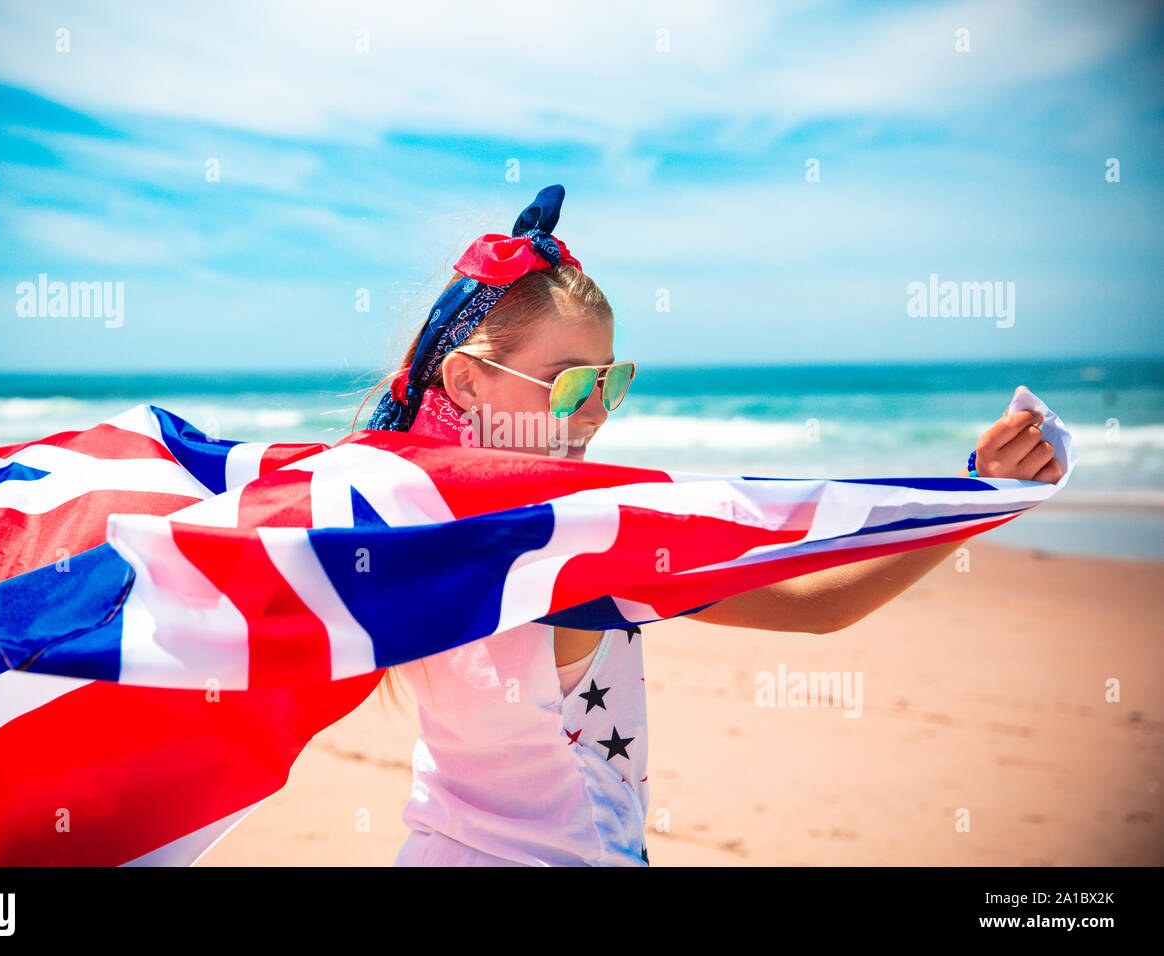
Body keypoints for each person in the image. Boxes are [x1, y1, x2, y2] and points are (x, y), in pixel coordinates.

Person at [354, 184, 1064, 866]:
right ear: (467, 381)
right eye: (570, 382)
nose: (596, 411)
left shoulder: (401, 526)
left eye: (610, 380)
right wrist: (975, 500)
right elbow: (820, 606)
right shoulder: (577, 538)